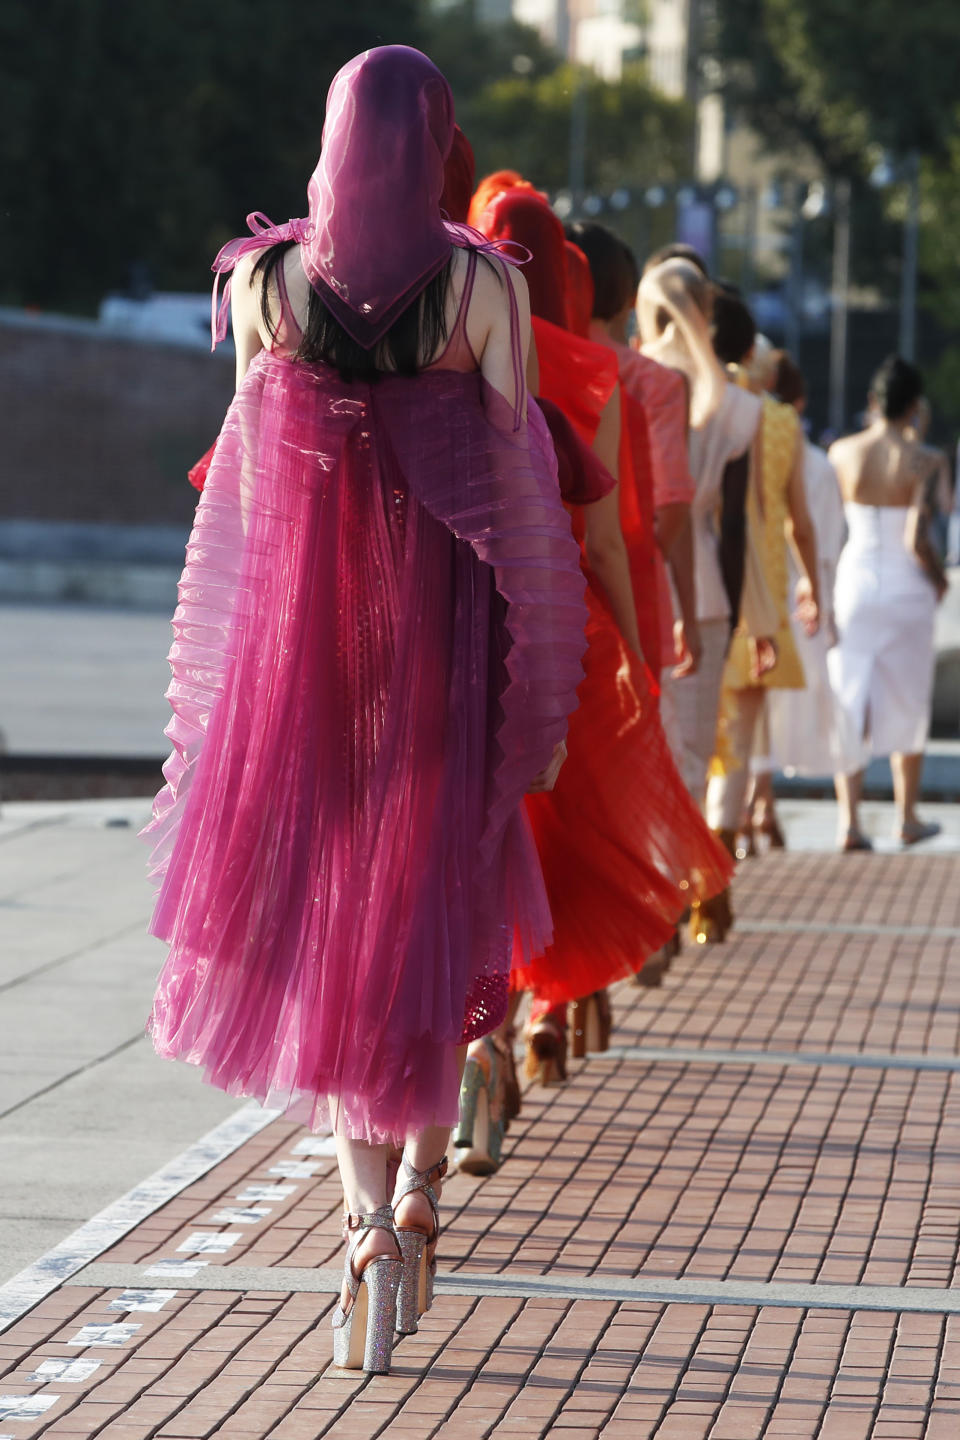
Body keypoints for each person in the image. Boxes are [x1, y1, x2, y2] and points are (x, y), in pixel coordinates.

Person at [142, 47, 586, 1374]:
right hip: (447, 650)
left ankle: (357, 1224)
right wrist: (538, 671)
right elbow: (518, 487)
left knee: (339, 925)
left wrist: (230, 681)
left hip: (314, 662)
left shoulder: (267, 284)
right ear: (437, 137)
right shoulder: (480, 288)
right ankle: (417, 1197)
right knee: (437, 914)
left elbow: (240, 486)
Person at [475, 188, 732, 1092]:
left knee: (480, 838)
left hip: (468, 621)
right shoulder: (598, 375)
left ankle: (482, 1032)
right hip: (568, 627)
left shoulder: (450, 345)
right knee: (570, 834)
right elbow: (622, 535)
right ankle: (549, 1007)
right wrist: (632, 650)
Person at [705, 292, 820, 879]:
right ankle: (712, 884)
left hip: (688, 588)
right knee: (740, 743)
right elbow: (799, 518)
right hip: (759, 597)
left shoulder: (686, 401)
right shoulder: (778, 421)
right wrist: (813, 586)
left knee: (693, 739)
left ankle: (686, 870)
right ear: (752, 350)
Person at [828, 356, 947, 849]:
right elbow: (919, 536)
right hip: (907, 591)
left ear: (873, 401)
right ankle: (906, 814)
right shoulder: (926, 459)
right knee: (909, 695)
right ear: (916, 405)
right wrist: (940, 580)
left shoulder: (842, 452)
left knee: (849, 699)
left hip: (854, 579)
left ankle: (849, 821)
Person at [750, 353, 846, 835]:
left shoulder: (747, 442)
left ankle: (753, 804)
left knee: (755, 704)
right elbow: (821, 536)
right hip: (803, 592)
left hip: (757, 588)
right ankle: (760, 805)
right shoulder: (817, 465)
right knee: (778, 704)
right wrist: (821, 594)